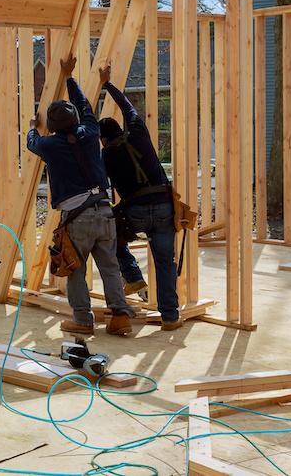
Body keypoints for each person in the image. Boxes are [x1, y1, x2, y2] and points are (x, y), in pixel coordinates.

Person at [25, 55, 136, 336]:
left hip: (78, 218)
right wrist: (69, 77)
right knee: (110, 267)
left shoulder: (48, 145)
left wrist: (30, 126)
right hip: (105, 211)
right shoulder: (90, 132)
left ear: (51, 126)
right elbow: (86, 106)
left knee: (74, 268)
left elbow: (32, 142)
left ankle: (84, 321)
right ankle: (121, 317)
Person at [98, 63, 183, 331]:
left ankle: (133, 277)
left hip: (134, 212)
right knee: (165, 262)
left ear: (102, 138)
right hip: (163, 209)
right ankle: (170, 318)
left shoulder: (106, 155)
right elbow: (128, 108)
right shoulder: (138, 132)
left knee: (110, 240)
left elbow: (104, 186)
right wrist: (107, 84)